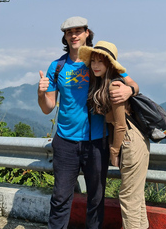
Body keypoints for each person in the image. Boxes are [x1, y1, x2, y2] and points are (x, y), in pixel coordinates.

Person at [38, 17, 139, 229]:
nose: (73, 35)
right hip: (65, 141)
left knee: (96, 199)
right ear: (65, 37)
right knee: (60, 198)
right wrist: (40, 93)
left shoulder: (99, 60)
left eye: (78, 31)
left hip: (97, 141)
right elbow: (48, 107)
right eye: (69, 32)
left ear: (87, 33)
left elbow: (132, 84)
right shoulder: (57, 67)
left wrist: (129, 90)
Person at [78, 41, 150, 229]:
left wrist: (114, 152)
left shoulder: (115, 86)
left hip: (129, 142)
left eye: (100, 62)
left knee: (128, 197)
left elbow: (119, 126)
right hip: (134, 140)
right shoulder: (106, 82)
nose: (95, 65)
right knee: (136, 195)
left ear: (109, 64)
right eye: (93, 61)